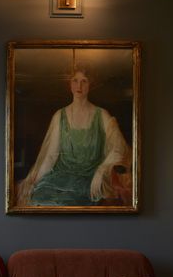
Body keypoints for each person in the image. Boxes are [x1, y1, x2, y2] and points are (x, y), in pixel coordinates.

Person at [16, 67, 132, 206]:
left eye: (84, 81)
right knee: (38, 197)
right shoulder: (60, 116)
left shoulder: (102, 115)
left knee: (72, 203)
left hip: (87, 179)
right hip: (62, 177)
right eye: (75, 81)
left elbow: (119, 147)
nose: (79, 86)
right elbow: (51, 156)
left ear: (90, 85)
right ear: (70, 84)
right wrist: (34, 182)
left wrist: (102, 170)